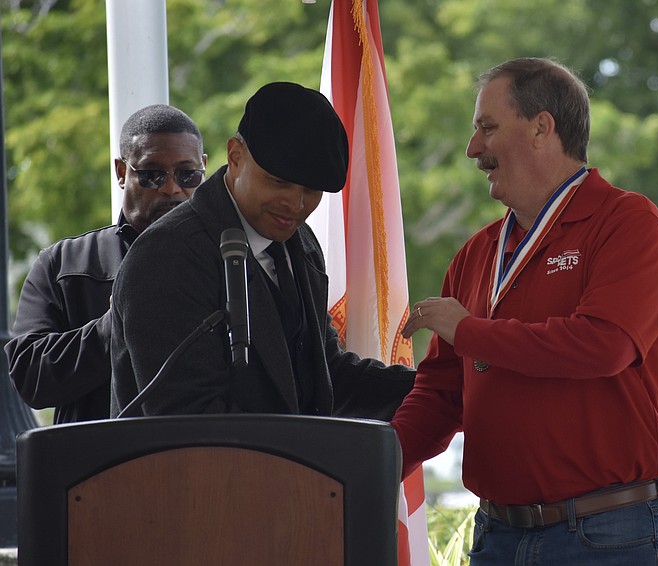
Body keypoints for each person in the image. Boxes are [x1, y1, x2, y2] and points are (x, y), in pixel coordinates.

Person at [392, 57, 658, 565]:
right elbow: (441, 394)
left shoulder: (627, 222)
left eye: (486, 127)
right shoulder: (476, 253)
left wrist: (470, 332)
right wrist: (365, 468)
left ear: (541, 127)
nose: (472, 149)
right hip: (497, 535)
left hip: (610, 535)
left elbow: (603, 344)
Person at [110, 82, 414, 419]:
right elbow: (186, 419)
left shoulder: (302, 244)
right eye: (279, 182)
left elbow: (324, 376)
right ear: (235, 156)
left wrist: (444, 387)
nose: (295, 204)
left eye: (312, 191)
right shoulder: (167, 256)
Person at [5, 105, 207, 424]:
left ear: (204, 169)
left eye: (187, 174)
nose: (171, 188)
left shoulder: (233, 260)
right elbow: (30, 378)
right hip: (101, 467)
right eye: (152, 174)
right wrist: (117, 324)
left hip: (210, 463)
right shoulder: (64, 264)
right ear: (122, 172)